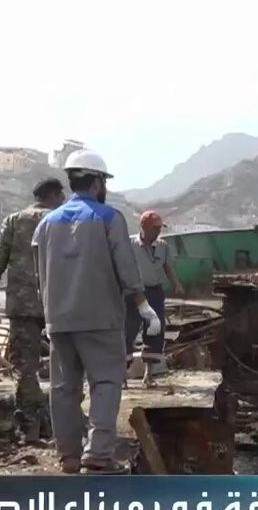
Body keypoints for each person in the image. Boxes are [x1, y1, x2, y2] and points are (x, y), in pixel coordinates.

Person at [31, 149, 161, 474]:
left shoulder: (46, 224)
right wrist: (143, 305)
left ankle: (69, 456)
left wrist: (47, 314)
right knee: (105, 382)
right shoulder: (108, 218)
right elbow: (126, 268)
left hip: (58, 320)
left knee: (63, 388)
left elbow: (39, 274)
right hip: (100, 319)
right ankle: (97, 454)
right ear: (97, 182)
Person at [0, 178, 66, 443]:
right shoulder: (65, 221)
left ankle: (29, 428)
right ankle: (66, 426)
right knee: (67, 366)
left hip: (23, 305)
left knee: (25, 368)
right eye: (62, 195)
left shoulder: (14, 221)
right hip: (62, 305)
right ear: (54, 195)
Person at [126, 210, 181, 377]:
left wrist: (176, 284)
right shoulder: (129, 244)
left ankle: (148, 375)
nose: (158, 232)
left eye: (159, 228)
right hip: (134, 292)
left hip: (154, 291)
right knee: (128, 330)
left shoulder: (163, 246)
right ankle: (122, 375)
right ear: (143, 227)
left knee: (155, 330)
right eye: (155, 228)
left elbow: (167, 267)